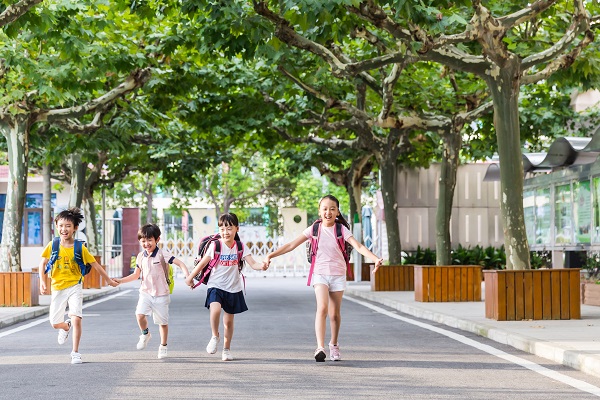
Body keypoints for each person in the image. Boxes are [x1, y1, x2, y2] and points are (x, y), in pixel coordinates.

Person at [263, 194, 384, 362]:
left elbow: (358, 246)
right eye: (325, 209)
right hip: (320, 274)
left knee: (334, 314)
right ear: (319, 211)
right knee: (322, 308)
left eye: (332, 209)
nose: (328, 212)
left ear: (337, 212)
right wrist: (271, 255)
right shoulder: (314, 229)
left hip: (338, 275)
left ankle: (334, 344)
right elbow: (291, 245)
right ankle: (320, 347)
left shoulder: (341, 230)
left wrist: (375, 259)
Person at [39, 207, 119, 365]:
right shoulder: (53, 244)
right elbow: (43, 263)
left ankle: (75, 352)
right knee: (54, 323)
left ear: (75, 228)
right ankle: (65, 326)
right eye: (61, 226)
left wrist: (108, 280)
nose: (64, 229)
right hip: (57, 288)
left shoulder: (79, 248)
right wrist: (42, 281)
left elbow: (95, 265)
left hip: (75, 286)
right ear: (56, 226)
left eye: (68, 226)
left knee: (76, 318)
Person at [185, 212, 267, 361]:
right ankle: (214, 336)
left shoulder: (240, 247)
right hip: (215, 285)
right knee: (215, 310)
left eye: (229, 228)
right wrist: (190, 277)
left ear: (237, 229)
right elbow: (203, 263)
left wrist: (262, 266)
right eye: (222, 229)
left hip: (233, 288)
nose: (225, 232)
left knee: (228, 323)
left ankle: (226, 349)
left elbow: (253, 264)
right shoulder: (215, 245)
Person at [116, 223, 190, 359]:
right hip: (145, 293)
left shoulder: (162, 254)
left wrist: (187, 276)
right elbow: (135, 275)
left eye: (149, 240)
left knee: (163, 323)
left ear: (157, 239)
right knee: (139, 314)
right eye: (143, 241)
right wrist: (120, 281)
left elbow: (180, 263)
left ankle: (163, 346)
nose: (146, 244)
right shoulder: (140, 256)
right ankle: (145, 334)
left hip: (161, 294)